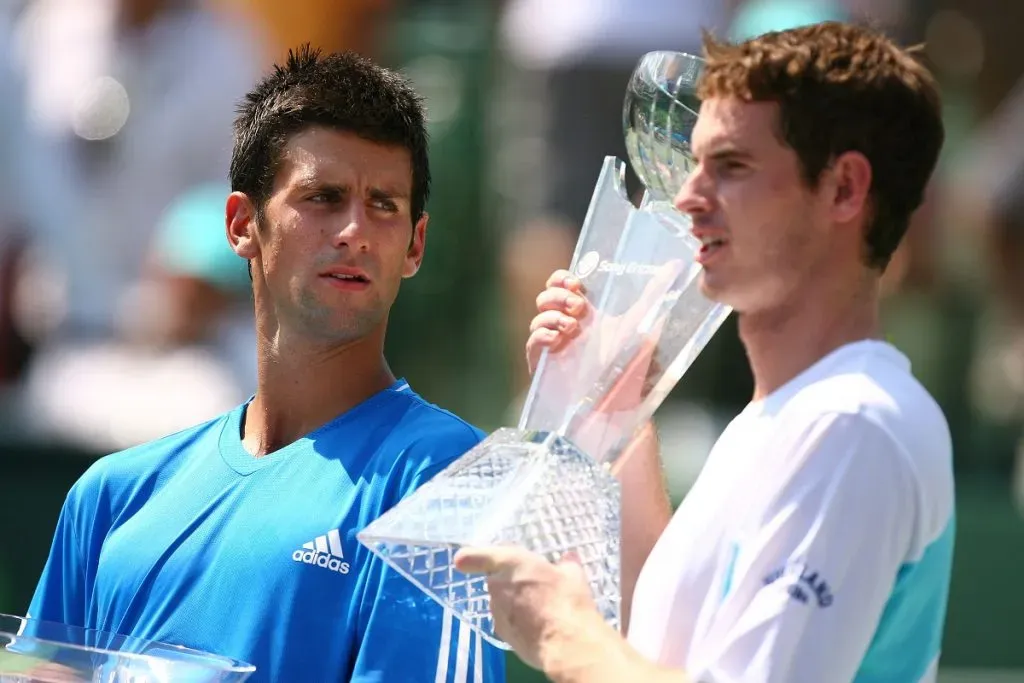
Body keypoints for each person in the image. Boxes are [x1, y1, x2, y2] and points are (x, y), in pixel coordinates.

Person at [455, 21, 953, 683]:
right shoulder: (790, 419)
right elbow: (666, 652)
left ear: (843, 189)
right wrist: (614, 412)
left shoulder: (850, 423)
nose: (689, 197)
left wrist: (561, 632)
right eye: (695, 164)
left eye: (732, 166)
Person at [28, 46, 506, 683]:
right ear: (241, 225)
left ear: (415, 245)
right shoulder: (109, 498)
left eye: (384, 204)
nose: (356, 231)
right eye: (324, 197)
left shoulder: (447, 479)